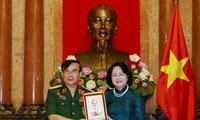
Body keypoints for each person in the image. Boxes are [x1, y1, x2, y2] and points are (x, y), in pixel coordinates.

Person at [76, 4, 129, 70]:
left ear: (115, 27)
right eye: (97, 21)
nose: (103, 26)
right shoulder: (78, 59)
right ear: (88, 27)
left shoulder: (125, 58)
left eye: (108, 21)